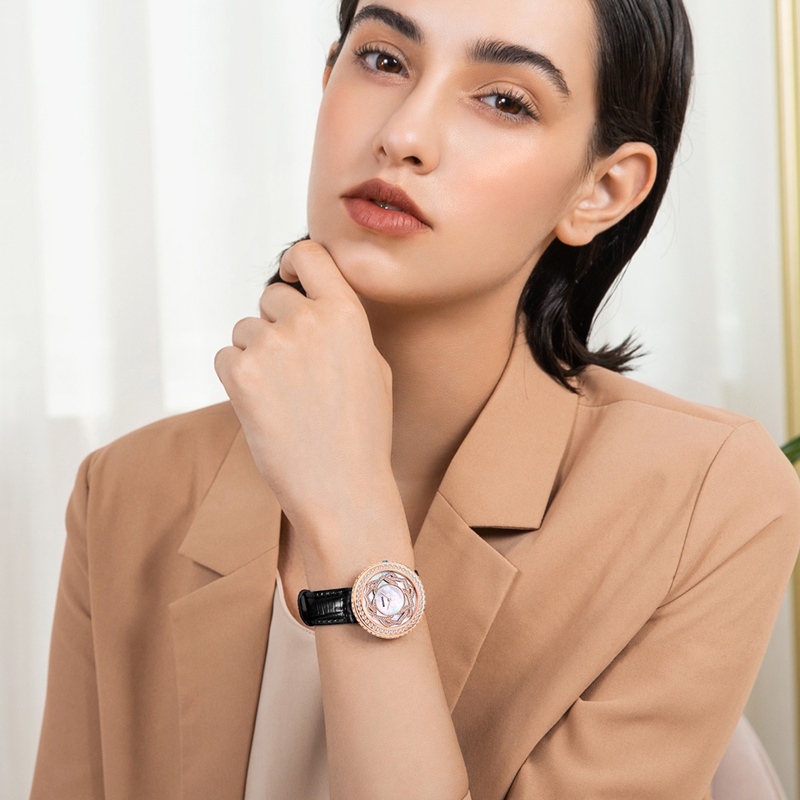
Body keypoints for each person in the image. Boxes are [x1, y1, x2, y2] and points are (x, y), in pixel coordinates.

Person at [29, 0, 800, 798]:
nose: (404, 134)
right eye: (384, 60)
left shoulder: (705, 499)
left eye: (505, 100)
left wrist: (347, 510)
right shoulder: (124, 492)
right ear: (327, 79)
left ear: (601, 190)